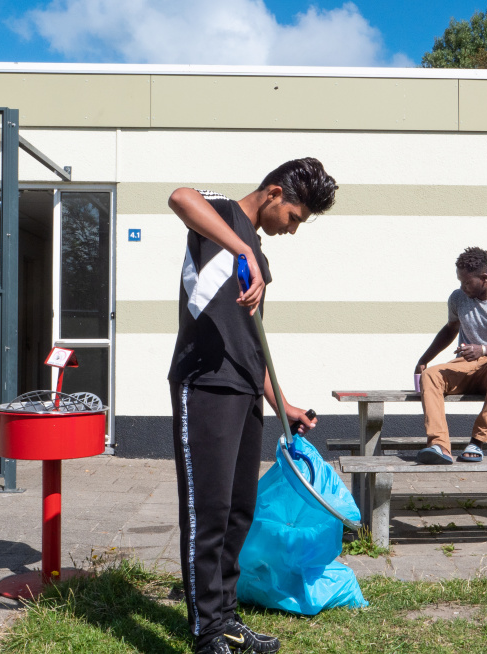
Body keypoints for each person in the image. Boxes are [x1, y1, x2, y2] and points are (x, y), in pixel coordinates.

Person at [166, 158, 337, 654]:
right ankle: (206, 634)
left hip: (243, 389)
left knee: (239, 511)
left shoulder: (256, 252)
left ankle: (226, 619)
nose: (293, 229)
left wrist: (283, 403)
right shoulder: (224, 215)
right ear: (274, 192)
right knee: (208, 512)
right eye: (295, 217)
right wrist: (241, 247)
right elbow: (180, 196)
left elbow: (251, 342)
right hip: (205, 385)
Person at [414, 247, 487, 464]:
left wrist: (483, 349)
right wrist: (424, 359)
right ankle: (439, 446)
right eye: (460, 281)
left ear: (484, 278)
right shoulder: (458, 298)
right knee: (431, 374)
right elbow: (450, 329)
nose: (462, 287)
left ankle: (477, 441)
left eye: (467, 282)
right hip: (466, 366)